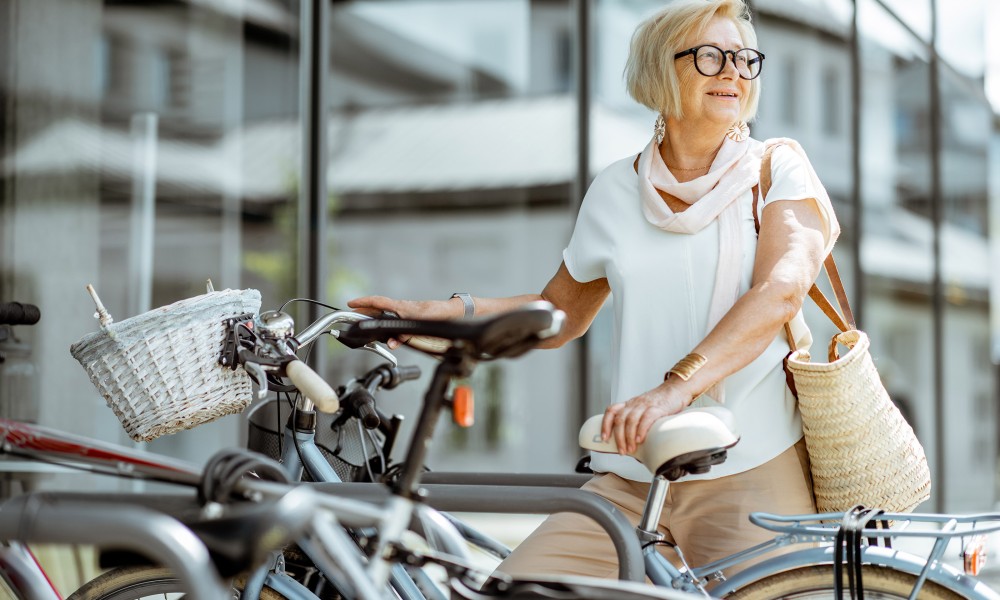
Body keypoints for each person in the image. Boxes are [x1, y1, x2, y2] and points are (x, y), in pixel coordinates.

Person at [349, 0, 839, 580]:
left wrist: (673, 389)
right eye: (711, 56)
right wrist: (440, 316)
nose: (733, 71)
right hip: (633, 474)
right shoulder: (614, 190)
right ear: (662, 69)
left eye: (744, 58)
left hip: (751, 469)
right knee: (514, 590)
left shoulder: (778, 170)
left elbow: (780, 291)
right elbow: (560, 312)